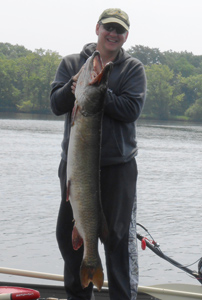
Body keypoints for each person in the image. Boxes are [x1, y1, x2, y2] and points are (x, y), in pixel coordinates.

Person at [50, 8, 147, 300]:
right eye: (109, 28)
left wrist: (98, 89)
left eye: (120, 30)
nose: (113, 34)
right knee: (68, 240)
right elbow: (56, 104)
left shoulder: (132, 69)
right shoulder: (71, 64)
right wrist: (76, 85)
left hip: (118, 169)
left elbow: (131, 110)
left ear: (125, 36)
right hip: (76, 169)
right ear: (97, 28)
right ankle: (78, 295)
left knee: (118, 242)